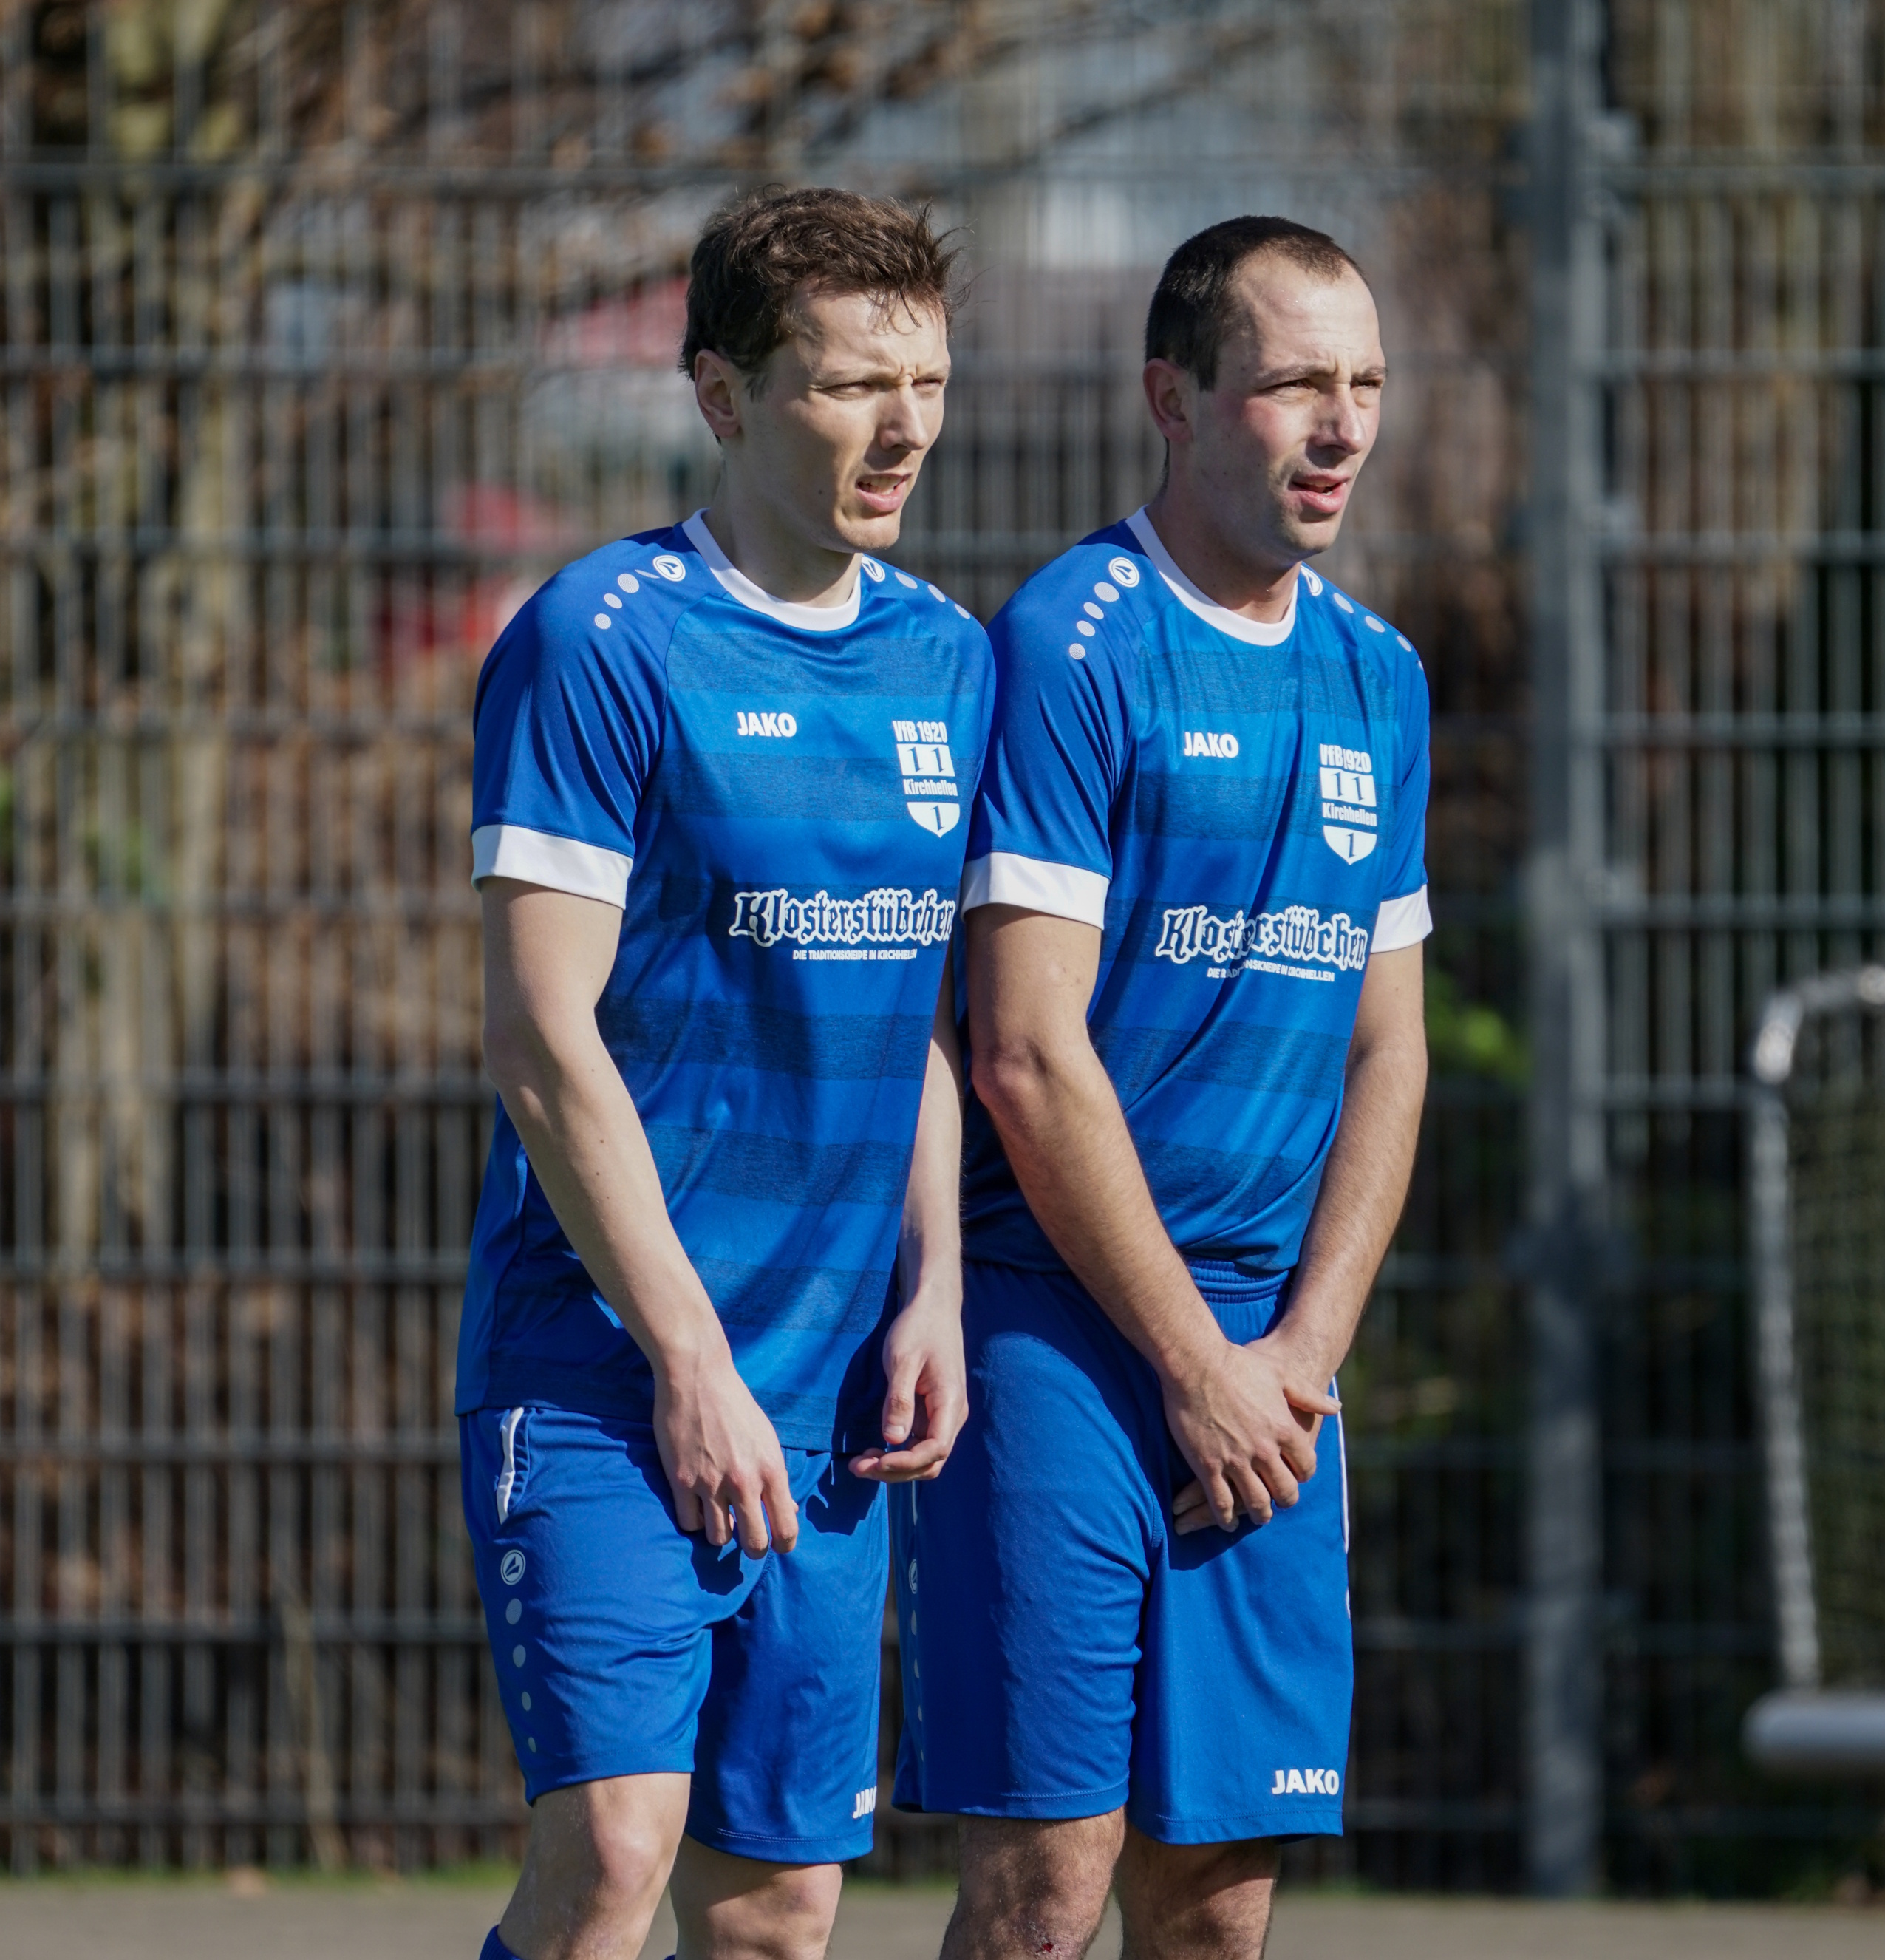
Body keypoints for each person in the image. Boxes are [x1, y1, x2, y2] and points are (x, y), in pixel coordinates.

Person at [460, 187, 987, 1960]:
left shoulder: (948, 661)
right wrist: (686, 1358)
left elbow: (912, 1017)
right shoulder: (601, 641)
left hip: (827, 1394)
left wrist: (934, 1287)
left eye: (925, 383)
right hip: (606, 1367)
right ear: (722, 395)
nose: (900, 428)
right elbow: (540, 1040)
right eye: (847, 386)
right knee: (613, 1854)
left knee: (771, 1916)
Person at [899, 216, 1431, 1960]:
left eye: (1363, 385)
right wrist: (1193, 1368)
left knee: (1218, 1906)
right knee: (1043, 1891)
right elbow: (1023, 1052)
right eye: (1292, 385)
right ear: (1173, 400)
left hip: (1268, 1363)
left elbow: (1387, 1047)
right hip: (1058, 1328)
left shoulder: (1381, 679)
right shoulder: (1070, 644)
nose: (1338, 428)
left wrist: (1294, 1361)